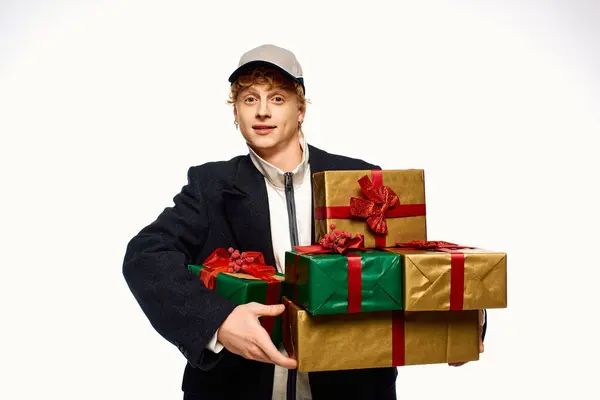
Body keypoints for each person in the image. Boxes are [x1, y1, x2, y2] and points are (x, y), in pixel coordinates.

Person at [122, 44, 486, 400]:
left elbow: (407, 262)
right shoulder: (211, 186)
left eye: (277, 98)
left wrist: (465, 317)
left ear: (301, 109)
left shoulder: (360, 179)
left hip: (352, 387)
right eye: (249, 99)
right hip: (236, 388)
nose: (262, 111)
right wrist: (218, 321)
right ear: (235, 112)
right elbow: (145, 256)